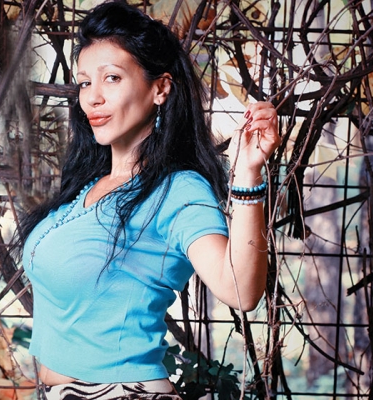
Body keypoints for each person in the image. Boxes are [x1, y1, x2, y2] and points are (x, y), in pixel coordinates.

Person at [19, 1, 280, 399]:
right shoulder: (86, 186)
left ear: (160, 88)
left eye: (112, 78)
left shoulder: (176, 189)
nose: (93, 97)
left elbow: (241, 290)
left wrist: (247, 175)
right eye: (85, 82)